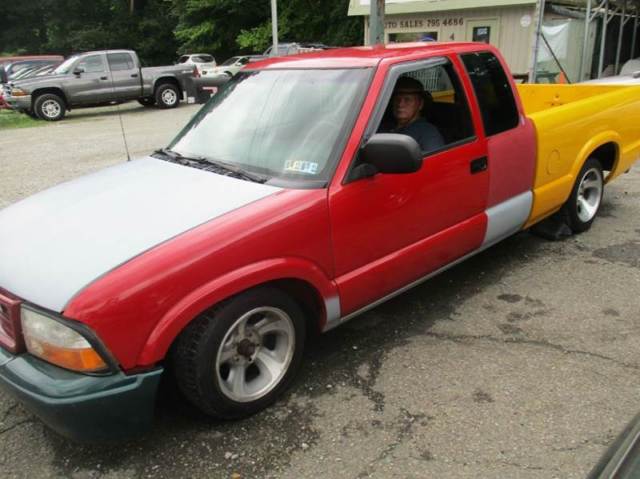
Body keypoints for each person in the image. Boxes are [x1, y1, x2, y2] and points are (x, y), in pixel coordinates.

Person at [383, 76, 444, 152]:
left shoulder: (428, 133)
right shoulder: (383, 125)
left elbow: (435, 160)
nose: (400, 104)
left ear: (420, 104)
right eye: (397, 99)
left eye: (407, 99)